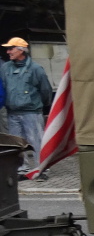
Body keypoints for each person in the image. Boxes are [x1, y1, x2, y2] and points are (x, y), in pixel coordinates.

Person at [1, 37, 53, 179]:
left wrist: (40, 106)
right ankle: (21, 170)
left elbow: (45, 90)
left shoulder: (36, 69)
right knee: (16, 144)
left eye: (11, 48)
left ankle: (41, 170)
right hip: (12, 113)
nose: (8, 52)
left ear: (21, 50)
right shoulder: (5, 68)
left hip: (32, 112)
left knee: (36, 141)